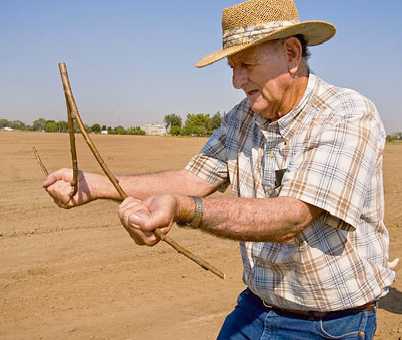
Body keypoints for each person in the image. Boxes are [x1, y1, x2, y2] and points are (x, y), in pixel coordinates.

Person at [43, 0, 396, 338]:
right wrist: (95, 184)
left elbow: (293, 217)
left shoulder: (345, 114)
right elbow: (192, 179)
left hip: (328, 323)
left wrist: (184, 209)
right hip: (257, 307)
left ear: (291, 54)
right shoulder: (241, 118)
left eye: (246, 65)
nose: (236, 80)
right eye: (232, 68)